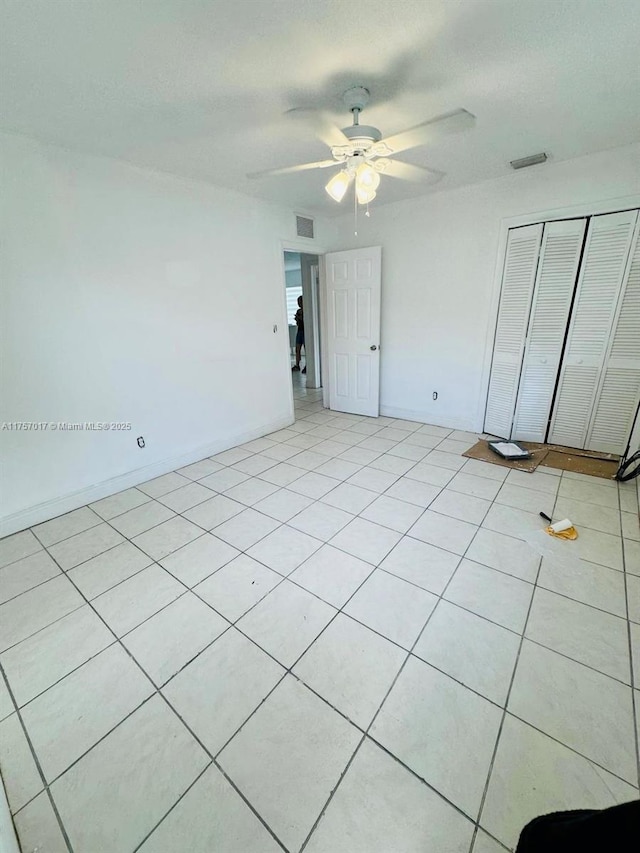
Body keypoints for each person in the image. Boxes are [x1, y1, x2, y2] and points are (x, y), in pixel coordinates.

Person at [292, 295, 306, 374]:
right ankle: (297, 365)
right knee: (297, 349)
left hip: (305, 331)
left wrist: (301, 318)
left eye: (300, 302)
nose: (299, 304)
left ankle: (308, 365)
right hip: (299, 331)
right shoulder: (298, 311)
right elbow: (298, 323)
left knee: (306, 348)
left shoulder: (306, 311)